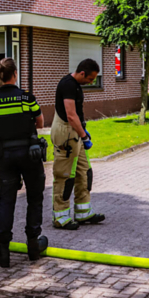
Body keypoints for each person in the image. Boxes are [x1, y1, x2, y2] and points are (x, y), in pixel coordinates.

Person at [0, 57, 48, 268]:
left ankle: (3, 251)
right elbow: (40, 121)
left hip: (4, 155)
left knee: (6, 201)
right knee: (34, 197)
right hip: (29, 154)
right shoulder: (25, 97)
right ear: (15, 74)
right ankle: (33, 245)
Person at [50, 59, 106, 230]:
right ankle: (61, 217)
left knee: (84, 172)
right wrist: (84, 135)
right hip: (67, 135)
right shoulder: (67, 85)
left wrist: (82, 132)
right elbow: (71, 115)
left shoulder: (75, 85)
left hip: (76, 134)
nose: (91, 82)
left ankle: (83, 212)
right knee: (65, 175)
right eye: (90, 79)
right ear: (82, 73)